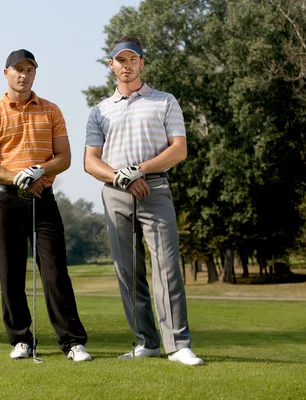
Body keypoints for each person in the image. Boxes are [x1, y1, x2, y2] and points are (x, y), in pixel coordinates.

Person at [84, 37, 204, 366]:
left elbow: (178, 149)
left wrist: (141, 170)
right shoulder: (100, 110)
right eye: (119, 60)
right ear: (112, 66)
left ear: (141, 63)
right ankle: (145, 341)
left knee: (167, 268)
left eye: (132, 59)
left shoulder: (164, 101)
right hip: (116, 192)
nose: (126, 65)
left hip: (155, 188)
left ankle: (178, 345)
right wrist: (120, 176)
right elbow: (90, 161)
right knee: (127, 271)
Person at [0, 49, 92, 362]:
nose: (24, 75)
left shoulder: (51, 110)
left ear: (35, 74)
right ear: (6, 73)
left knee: (55, 273)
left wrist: (40, 170)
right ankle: (20, 340)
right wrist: (17, 177)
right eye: (18, 70)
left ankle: (73, 342)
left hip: (43, 199)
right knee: (10, 274)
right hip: (7, 200)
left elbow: (64, 158)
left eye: (29, 70)